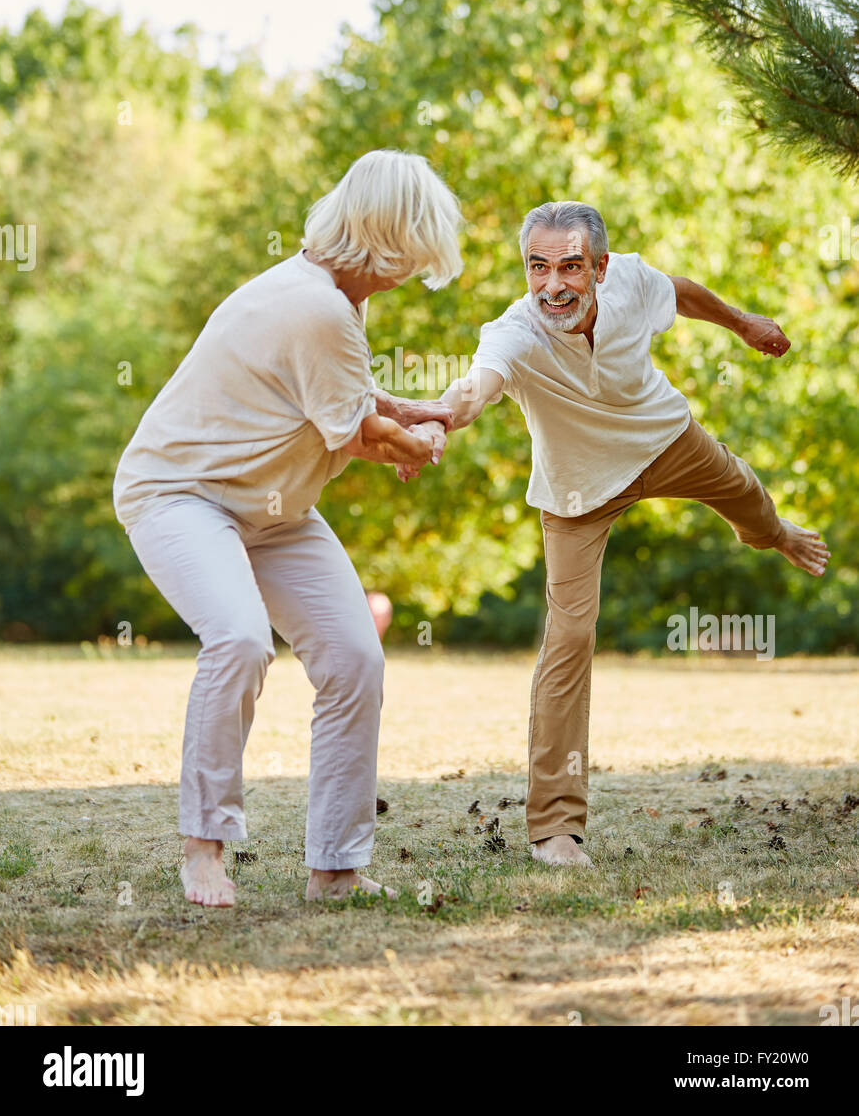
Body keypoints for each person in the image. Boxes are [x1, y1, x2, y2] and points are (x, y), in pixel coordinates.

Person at [401, 200, 830, 868]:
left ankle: (772, 534)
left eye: (570, 267)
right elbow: (472, 391)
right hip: (577, 492)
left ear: (599, 267)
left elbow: (680, 293)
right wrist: (432, 422)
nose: (552, 286)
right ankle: (554, 829)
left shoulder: (630, 282)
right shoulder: (515, 332)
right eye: (537, 268)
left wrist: (742, 323)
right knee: (569, 636)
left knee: (747, 493)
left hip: (663, 439)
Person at [112, 149, 461, 906]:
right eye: (415, 249)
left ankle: (335, 867)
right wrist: (419, 442)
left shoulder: (332, 298)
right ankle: (203, 849)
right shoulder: (319, 306)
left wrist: (412, 412)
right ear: (388, 240)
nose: (413, 270)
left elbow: (353, 396)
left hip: (273, 510)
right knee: (238, 638)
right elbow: (360, 434)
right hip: (182, 496)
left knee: (352, 657)